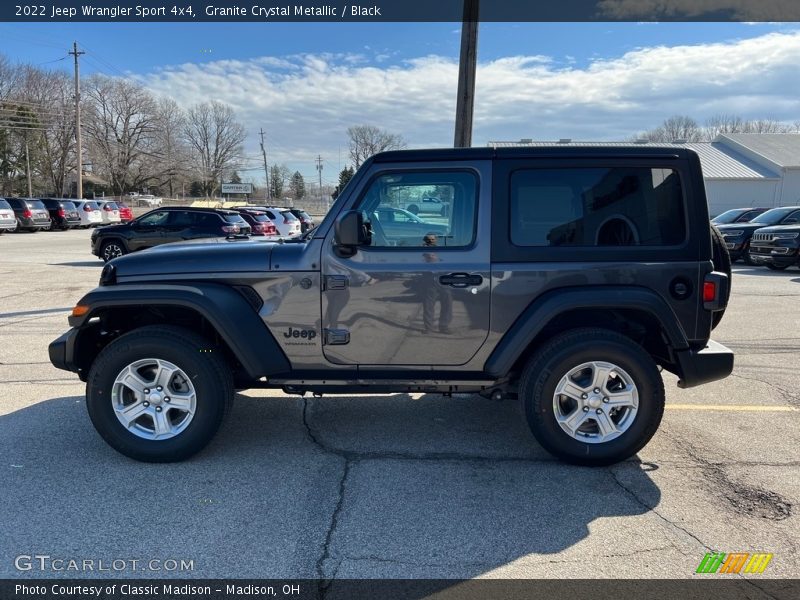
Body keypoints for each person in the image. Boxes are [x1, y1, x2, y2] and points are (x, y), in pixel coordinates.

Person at [421, 233, 453, 333]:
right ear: (425, 240)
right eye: (428, 239)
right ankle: (429, 328)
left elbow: (445, 260)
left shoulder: (442, 249)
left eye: (433, 239)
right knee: (428, 305)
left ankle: (444, 327)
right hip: (429, 280)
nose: (431, 241)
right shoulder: (421, 249)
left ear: (436, 240)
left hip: (442, 279)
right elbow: (427, 258)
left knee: (447, 304)